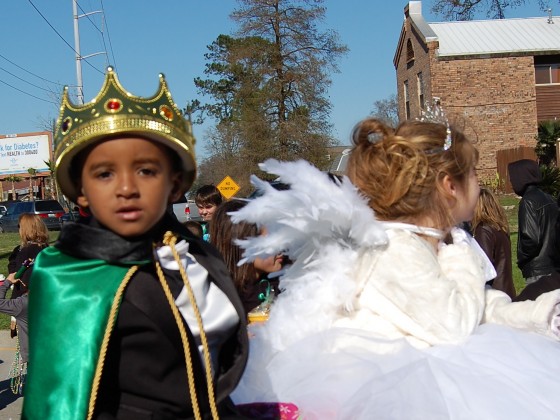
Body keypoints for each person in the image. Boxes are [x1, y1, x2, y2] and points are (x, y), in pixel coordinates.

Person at [230, 117, 560, 419]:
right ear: (449, 185)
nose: (479, 182)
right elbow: (452, 322)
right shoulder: (393, 246)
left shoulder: (435, 241)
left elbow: (478, 304)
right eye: (473, 173)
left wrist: (536, 315)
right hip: (392, 390)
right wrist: (461, 257)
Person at [23, 67, 249, 420]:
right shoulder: (66, 276)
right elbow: (56, 402)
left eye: (146, 170)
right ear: (80, 193)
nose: (126, 187)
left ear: (175, 185)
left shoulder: (195, 255)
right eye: (104, 173)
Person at [210, 200, 284, 316]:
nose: (281, 247)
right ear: (243, 246)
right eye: (271, 240)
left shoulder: (285, 282)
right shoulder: (219, 298)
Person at [508, 159, 560, 284]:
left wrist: (522, 259)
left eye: (512, 178)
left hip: (538, 269)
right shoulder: (549, 198)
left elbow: (531, 239)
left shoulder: (528, 201)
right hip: (553, 265)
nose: (511, 182)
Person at [6, 214, 50, 337]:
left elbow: (15, 275)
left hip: (26, 300)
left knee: (27, 344)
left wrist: (13, 260)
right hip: (45, 299)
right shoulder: (46, 249)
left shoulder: (25, 251)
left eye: (19, 226)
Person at [471, 188, 516, 299]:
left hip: (495, 294)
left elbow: (484, 265)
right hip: (506, 290)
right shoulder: (500, 229)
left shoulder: (483, 230)